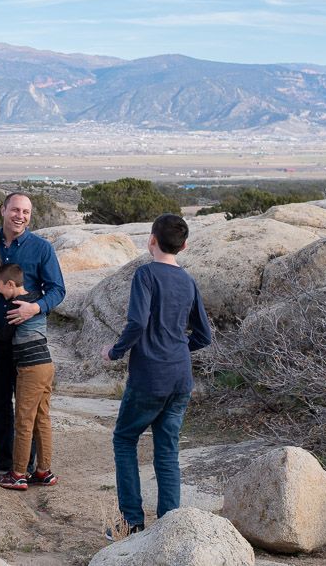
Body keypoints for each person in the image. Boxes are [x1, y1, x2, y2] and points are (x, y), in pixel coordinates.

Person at [100, 213, 212, 538]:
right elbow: (204, 335)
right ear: (184, 245)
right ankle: (168, 528)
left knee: (124, 439)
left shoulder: (146, 274)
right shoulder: (188, 281)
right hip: (180, 378)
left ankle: (132, 523)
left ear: (151, 240)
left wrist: (114, 351)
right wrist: (176, 349)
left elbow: (136, 323)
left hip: (149, 376)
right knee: (167, 450)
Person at [0, 192, 66, 473]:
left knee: (27, 407)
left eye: (26, 212)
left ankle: (27, 465)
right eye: (15, 210)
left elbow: (58, 290)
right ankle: (4, 459)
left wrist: (35, 308)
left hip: (26, 344)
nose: (20, 216)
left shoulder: (41, 248)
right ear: (3, 210)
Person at [0, 263, 57, 491]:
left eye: (0, 287)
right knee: (42, 419)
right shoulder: (36, 298)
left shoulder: (17, 307)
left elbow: (3, 335)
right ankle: (44, 471)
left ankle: (18, 473)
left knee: (23, 421)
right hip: (46, 365)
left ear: (10, 284)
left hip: (30, 368)